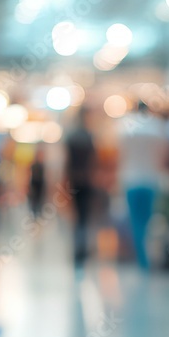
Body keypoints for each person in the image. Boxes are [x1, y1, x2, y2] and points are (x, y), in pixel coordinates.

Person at [118, 101, 169, 270]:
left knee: (135, 220)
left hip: (131, 179)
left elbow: (120, 154)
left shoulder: (126, 127)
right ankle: (145, 256)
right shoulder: (156, 127)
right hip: (151, 179)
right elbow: (163, 155)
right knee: (147, 220)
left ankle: (142, 257)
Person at [65, 112, 96, 264]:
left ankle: (78, 246)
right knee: (83, 215)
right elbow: (93, 161)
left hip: (75, 181)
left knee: (78, 216)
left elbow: (68, 162)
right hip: (86, 180)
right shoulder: (89, 137)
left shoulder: (72, 137)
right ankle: (81, 246)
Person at [28, 146, 46, 219]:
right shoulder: (33, 165)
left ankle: (38, 213)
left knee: (40, 200)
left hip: (40, 185)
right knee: (34, 200)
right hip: (34, 184)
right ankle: (34, 213)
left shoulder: (42, 165)